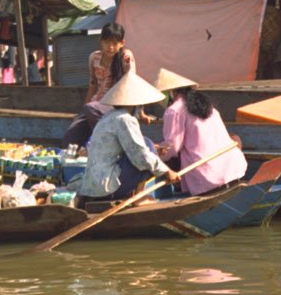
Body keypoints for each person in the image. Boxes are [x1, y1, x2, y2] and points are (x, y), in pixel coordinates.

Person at [78, 71, 179, 203]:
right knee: (147, 144)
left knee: (147, 145)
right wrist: (167, 171)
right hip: (107, 186)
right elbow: (140, 155)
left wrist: (153, 151)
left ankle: (135, 194)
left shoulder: (109, 117)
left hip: (95, 185)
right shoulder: (125, 119)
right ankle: (139, 197)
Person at [153, 68, 247, 195]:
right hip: (233, 168)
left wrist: (153, 155)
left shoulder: (174, 110)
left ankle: (174, 190)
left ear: (171, 92)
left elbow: (172, 147)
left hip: (207, 177)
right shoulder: (206, 104)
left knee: (161, 159)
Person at [63, 22, 152, 148]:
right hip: (96, 105)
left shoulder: (125, 57)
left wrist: (140, 112)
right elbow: (93, 85)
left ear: (122, 43)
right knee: (70, 138)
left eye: (115, 43)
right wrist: (83, 112)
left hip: (118, 106)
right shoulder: (94, 57)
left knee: (92, 108)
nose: (110, 47)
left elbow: (132, 85)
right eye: (106, 42)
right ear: (101, 41)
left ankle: (114, 141)